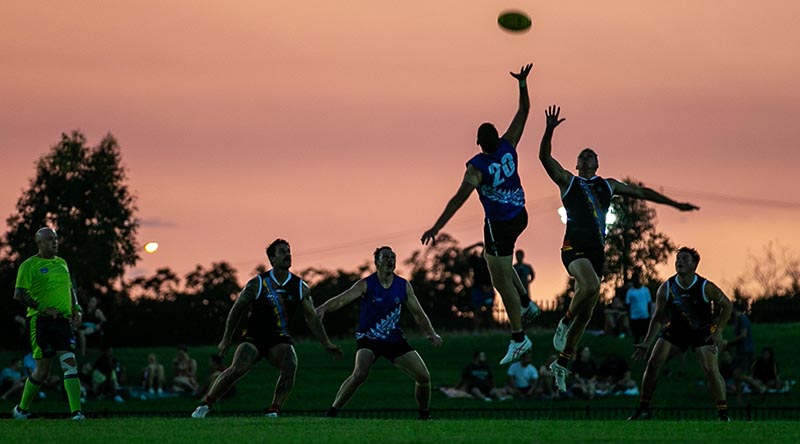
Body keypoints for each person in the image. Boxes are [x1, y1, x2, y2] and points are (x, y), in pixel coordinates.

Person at [538, 105, 699, 389]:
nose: (587, 156)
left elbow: (642, 192)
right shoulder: (568, 181)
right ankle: (564, 322)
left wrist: (674, 204)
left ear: (598, 163)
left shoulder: (608, 185)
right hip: (573, 248)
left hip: (597, 254)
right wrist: (549, 129)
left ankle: (561, 362)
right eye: (582, 155)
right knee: (587, 288)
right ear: (576, 164)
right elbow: (544, 157)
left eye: (592, 155)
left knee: (587, 313)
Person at [422, 63, 539, 365]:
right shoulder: (508, 144)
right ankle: (526, 302)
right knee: (498, 262)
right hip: (520, 215)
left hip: (500, 225)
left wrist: (436, 227)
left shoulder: (477, 167)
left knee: (500, 282)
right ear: (497, 137)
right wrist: (523, 84)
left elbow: (458, 199)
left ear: (478, 143)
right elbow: (524, 112)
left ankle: (519, 337)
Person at [192, 239, 342, 419]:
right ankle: (205, 405)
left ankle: (274, 410)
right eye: (282, 252)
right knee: (238, 368)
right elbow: (236, 310)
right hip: (254, 336)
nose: (288, 254)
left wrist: (326, 343)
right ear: (272, 259)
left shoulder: (300, 287)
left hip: (279, 338)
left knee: (290, 364)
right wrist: (226, 339)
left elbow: (312, 318)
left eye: (289, 251)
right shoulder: (257, 283)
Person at [318, 246, 443, 419]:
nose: (389, 260)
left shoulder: (403, 285)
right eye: (385, 257)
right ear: (376, 262)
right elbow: (342, 299)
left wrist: (431, 333)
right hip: (368, 338)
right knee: (360, 373)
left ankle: (424, 415)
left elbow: (418, 313)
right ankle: (331, 413)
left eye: (392, 257)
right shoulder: (366, 284)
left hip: (394, 339)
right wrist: (324, 308)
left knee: (424, 377)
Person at [629, 247, 733, 421]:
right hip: (676, 331)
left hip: (702, 332)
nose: (680, 262)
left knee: (710, 369)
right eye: (678, 259)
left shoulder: (706, 287)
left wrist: (718, 330)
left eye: (685, 259)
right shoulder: (666, 288)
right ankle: (643, 409)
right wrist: (647, 343)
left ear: (694, 265)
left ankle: (723, 413)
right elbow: (657, 318)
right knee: (653, 363)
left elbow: (728, 306)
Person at [11, 227, 84, 420]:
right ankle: (21, 410)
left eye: (56, 239)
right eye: (50, 239)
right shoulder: (29, 265)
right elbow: (19, 295)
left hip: (63, 322)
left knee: (70, 363)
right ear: (40, 243)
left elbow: (70, 289)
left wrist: (76, 308)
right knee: (43, 371)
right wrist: (43, 307)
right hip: (40, 322)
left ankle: (76, 413)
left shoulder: (62, 263)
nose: (55, 242)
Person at [723, 302, 758, 395]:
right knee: (735, 374)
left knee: (737, 374)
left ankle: (760, 387)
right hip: (740, 351)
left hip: (745, 351)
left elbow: (743, 335)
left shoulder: (742, 318)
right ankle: (739, 398)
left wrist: (729, 342)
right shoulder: (737, 320)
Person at [463, 242, 495, 333]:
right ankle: (477, 330)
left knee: (489, 311)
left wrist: (489, 287)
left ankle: (493, 330)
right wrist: (476, 245)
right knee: (477, 311)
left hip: (488, 289)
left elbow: (496, 276)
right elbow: (465, 251)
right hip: (477, 289)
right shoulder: (476, 260)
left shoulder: (492, 262)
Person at [626, 273, 652, 344]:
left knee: (645, 337)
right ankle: (636, 353)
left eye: (637, 278)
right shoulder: (630, 292)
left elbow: (649, 303)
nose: (636, 280)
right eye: (634, 279)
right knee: (636, 337)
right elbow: (628, 305)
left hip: (645, 317)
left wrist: (650, 316)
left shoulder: (646, 290)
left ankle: (645, 353)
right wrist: (629, 318)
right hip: (634, 318)